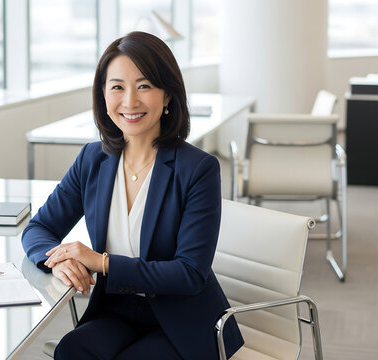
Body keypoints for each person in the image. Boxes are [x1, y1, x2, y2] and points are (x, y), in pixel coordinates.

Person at [21, 31, 243, 360]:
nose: (130, 102)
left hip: (183, 318)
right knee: (71, 350)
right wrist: (57, 261)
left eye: (144, 86)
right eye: (117, 87)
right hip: (117, 310)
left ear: (167, 96)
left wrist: (102, 263)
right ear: (103, 95)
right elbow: (37, 228)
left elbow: (190, 274)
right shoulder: (92, 160)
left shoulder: (198, 169)